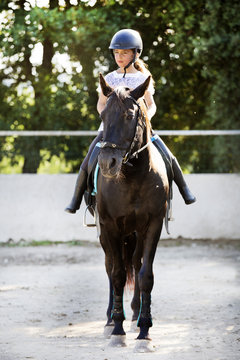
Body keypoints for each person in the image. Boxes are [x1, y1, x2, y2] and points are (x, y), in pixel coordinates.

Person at [65, 29, 196, 214]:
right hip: (109, 131)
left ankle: (185, 191)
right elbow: (101, 104)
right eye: (117, 52)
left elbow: (151, 105)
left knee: (168, 156)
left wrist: (145, 119)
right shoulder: (109, 78)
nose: (119, 56)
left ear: (135, 53)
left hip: (138, 130)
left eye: (125, 52)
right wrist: (108, 117)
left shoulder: (143, 79)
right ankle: (76, 200)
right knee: (89, 159)